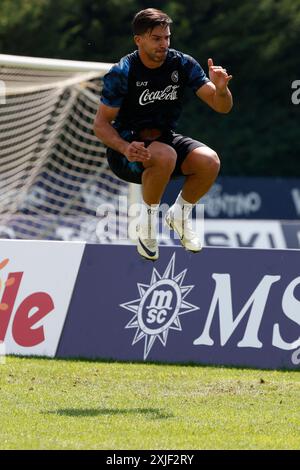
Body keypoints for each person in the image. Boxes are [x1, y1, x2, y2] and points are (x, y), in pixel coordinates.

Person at [93, 8, 233, 260]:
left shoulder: (182, 63)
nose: (164, 44)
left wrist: (221, 89)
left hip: (165, 140)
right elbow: (101, 124)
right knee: (166, 155)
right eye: (157, 38)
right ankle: (145, 227)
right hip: (128, 152)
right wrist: (124, 147)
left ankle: (178, 217)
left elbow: (221, 107)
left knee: (209, 161)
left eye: (167, 37)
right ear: (139, 40)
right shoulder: (122, 72)